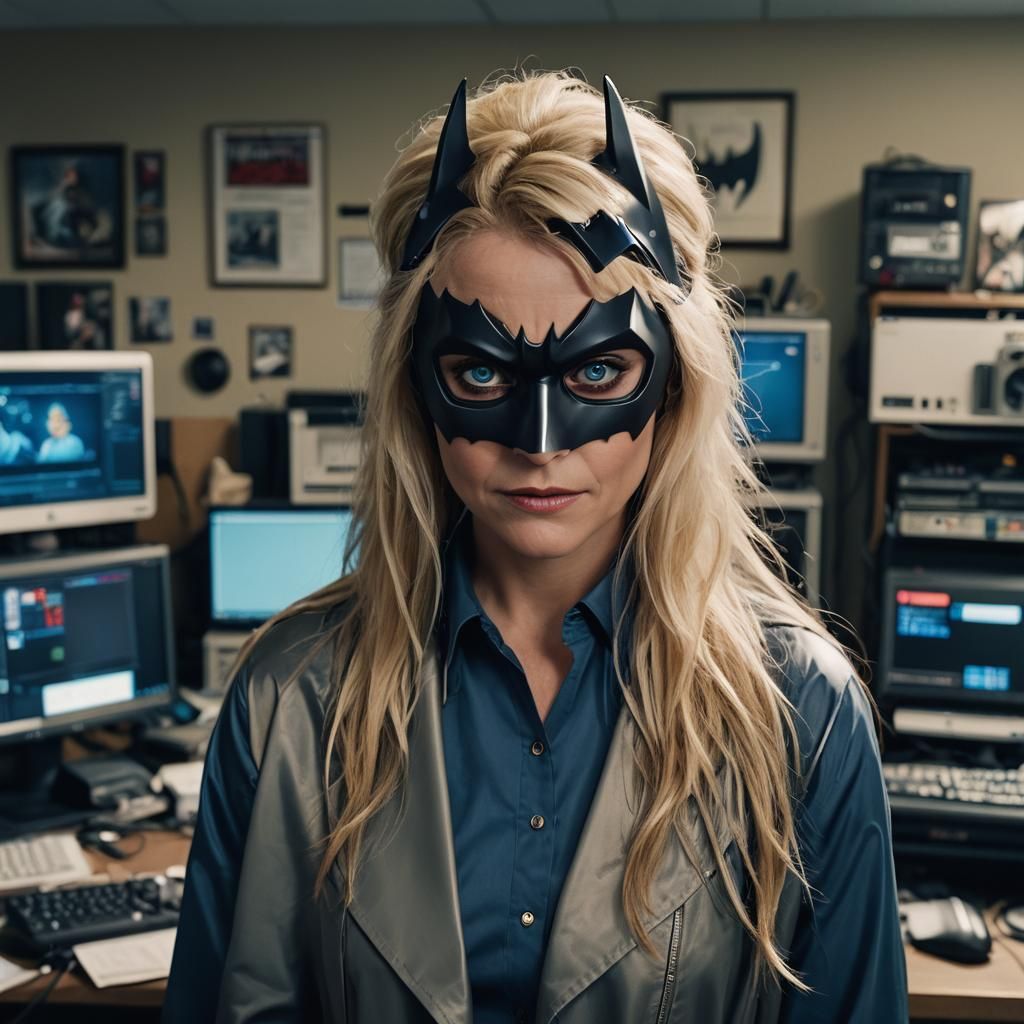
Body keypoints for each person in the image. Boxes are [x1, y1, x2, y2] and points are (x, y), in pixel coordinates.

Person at [164, 72, 907, 1024]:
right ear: (415, 387)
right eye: (480, 373)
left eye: (599, 369)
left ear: (675, 386)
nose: (540, 443)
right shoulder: (289, 696)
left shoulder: (801, 709)